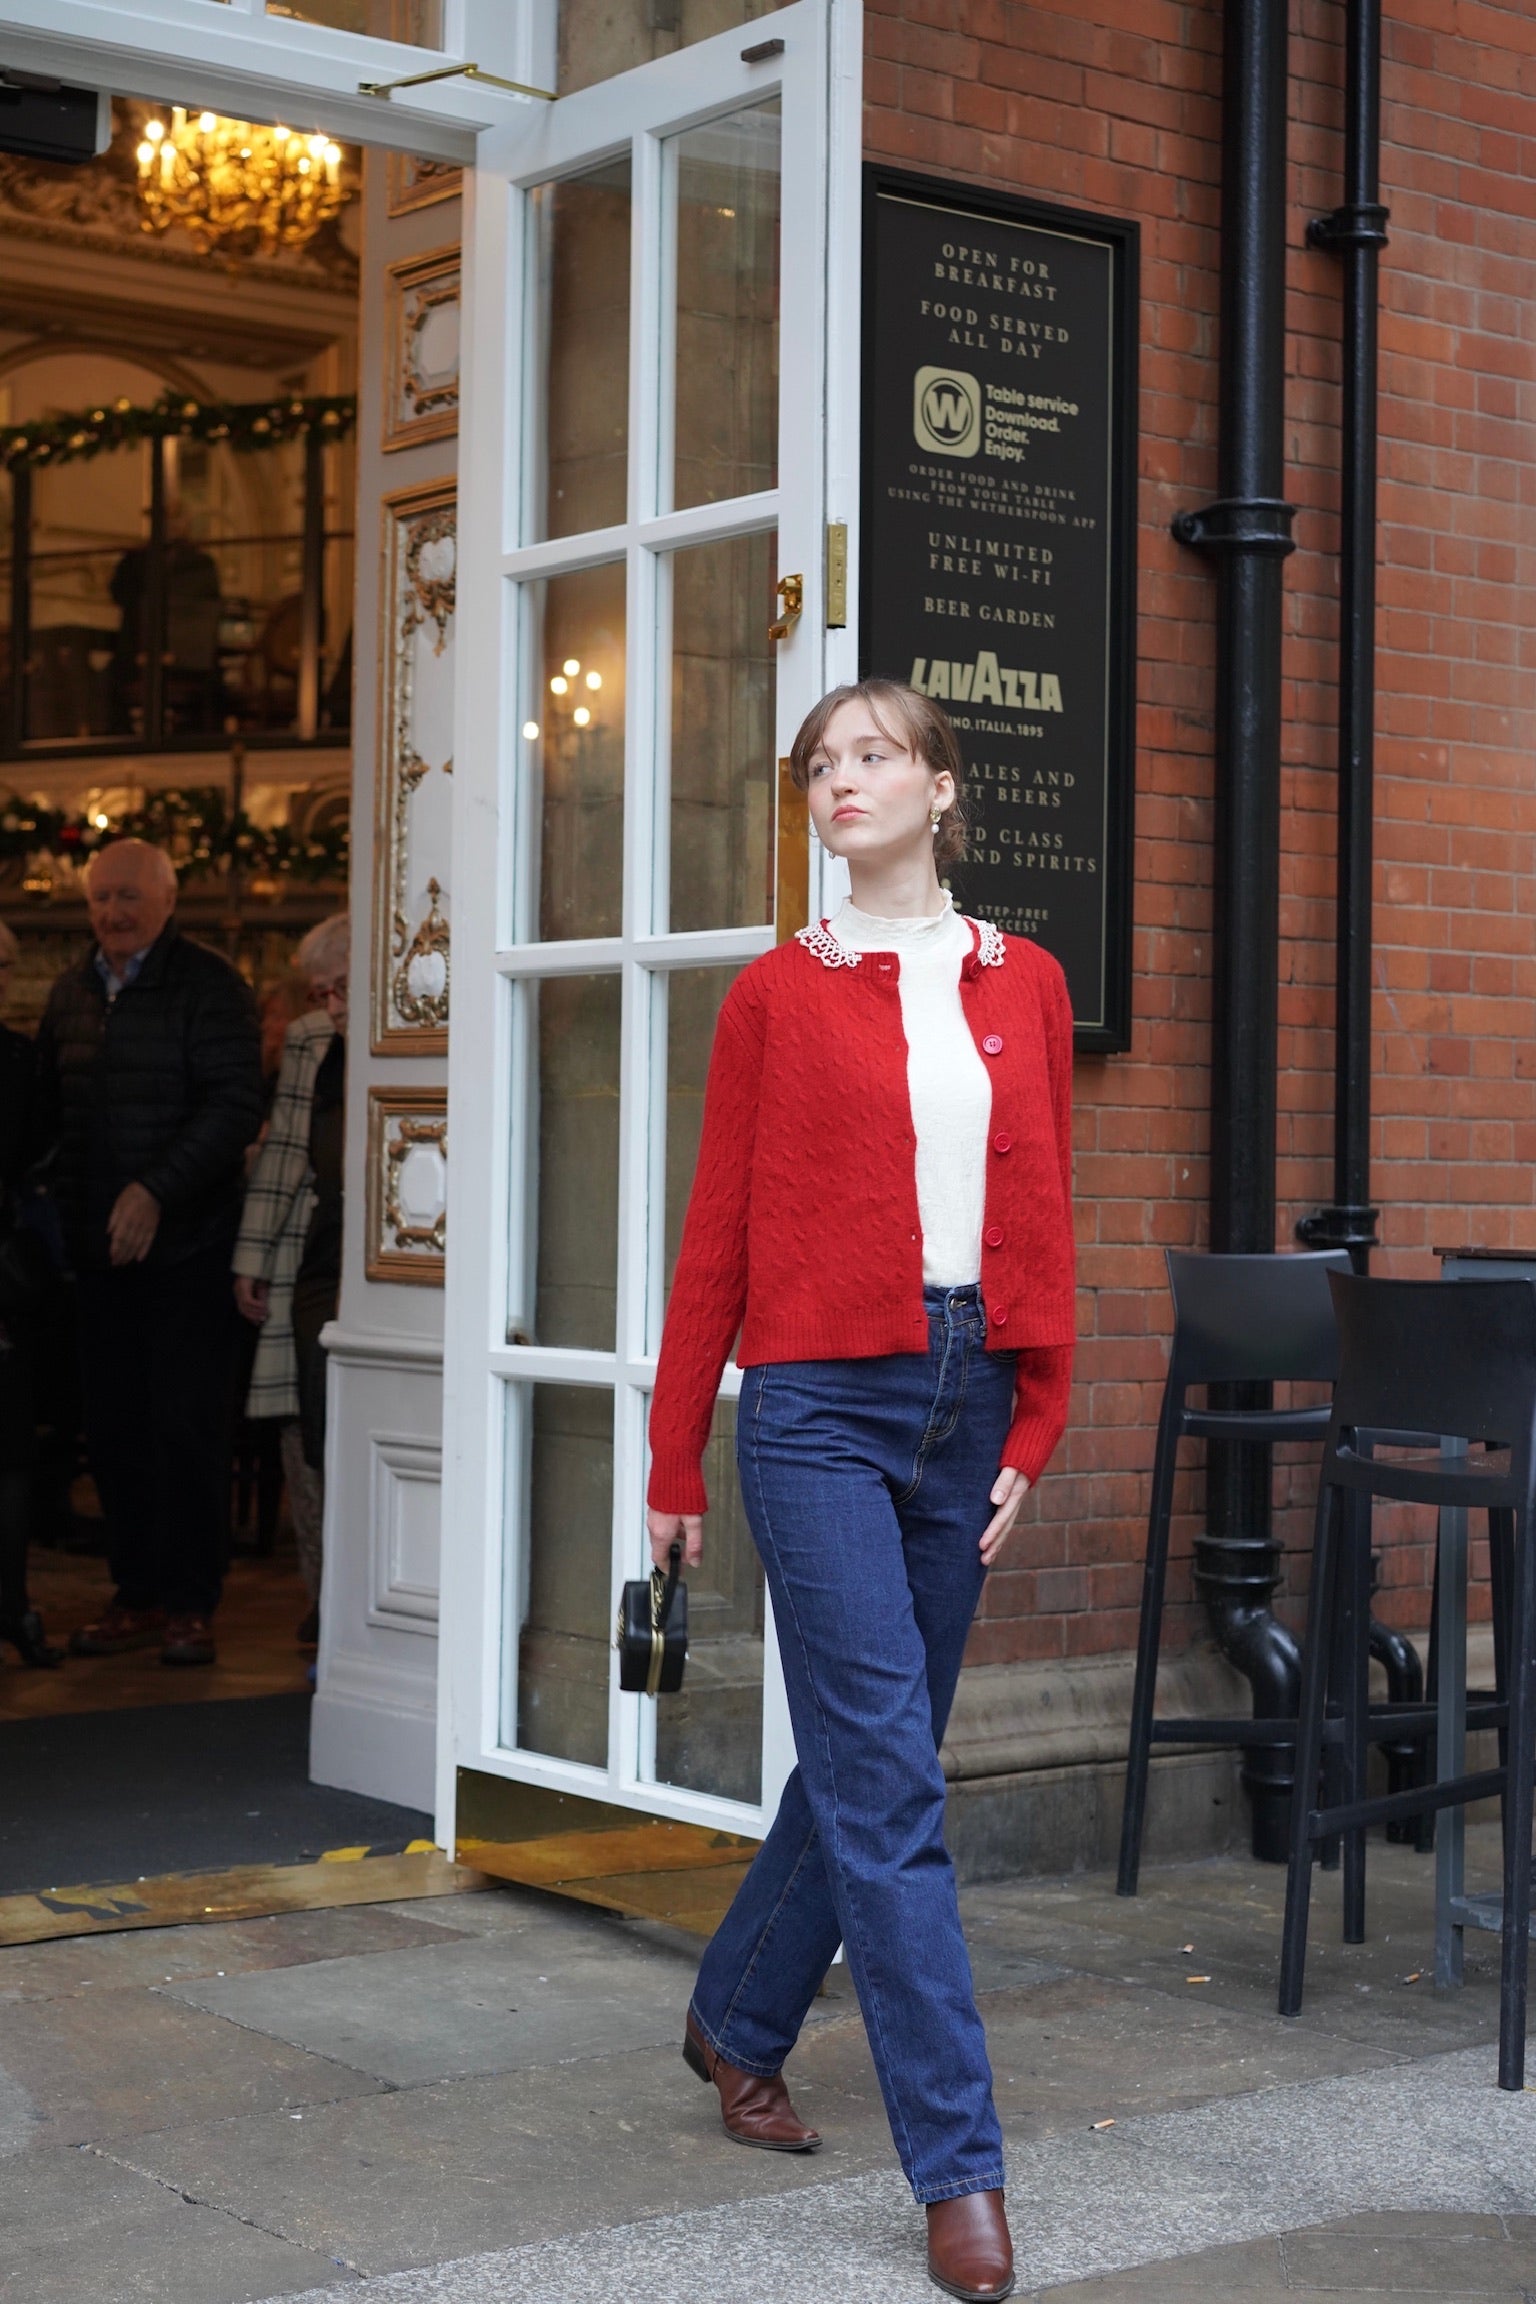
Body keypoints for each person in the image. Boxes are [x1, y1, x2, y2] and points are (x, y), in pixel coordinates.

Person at [646, 681, 1076, 2304]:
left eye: (875, 753)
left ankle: (738, 2013)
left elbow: (1047, 1214)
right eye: (821, 763)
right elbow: (716, 1241)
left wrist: (1037, 1416)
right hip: (820, 1403)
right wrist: (672, 1451)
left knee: (865, 1754)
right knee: (895, 1787)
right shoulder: (774, 993)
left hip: (967, 1403)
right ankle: (959, 2171)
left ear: (941, 787)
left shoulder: (1023, 980)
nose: (844, 777)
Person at [32, 839, 264, 1667]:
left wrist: (156, 1190)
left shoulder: (208, 987)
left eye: (129, 896)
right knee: (117, 1432)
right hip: (98, 1261)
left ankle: (190, 1605)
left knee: (187, 1431)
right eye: (100, 898)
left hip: (189, 1254)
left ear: (169, 900)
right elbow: (48, 1122)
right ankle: (134, 1592)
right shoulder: (69, 993)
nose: (113, 913)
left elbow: (236, 1105)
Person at [232, 915, 349, 1645]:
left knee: (348, 1433)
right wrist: (251, 1257)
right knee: (304, 1438)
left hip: (373, 1268)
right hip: (308, 1261)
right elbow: (281, 1162)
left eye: (341, 989)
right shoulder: (309, 1040)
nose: (331, 1006)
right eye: (319, 992)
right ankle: (322, 1598)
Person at [0, 919, 62, 1667]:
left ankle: (12, 1605)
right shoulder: (18, 1062)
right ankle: (13, 1608)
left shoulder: (20, 1061)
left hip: (8, 1286)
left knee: (11, 1455)